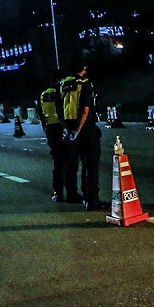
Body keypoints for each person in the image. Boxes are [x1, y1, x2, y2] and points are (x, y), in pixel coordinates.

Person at [60, 60, 105, 209]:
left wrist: (68, 129)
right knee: (91, 165)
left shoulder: (63, 85)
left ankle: (73, 194)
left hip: (69, 128)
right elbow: (85, 109)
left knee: (73, 163)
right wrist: (78, 130)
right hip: (85, 130)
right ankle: (91, 200)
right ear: (84, 68)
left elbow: (59, 109)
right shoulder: (85, 84)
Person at [37, 72, 80, 203]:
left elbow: (41, 115)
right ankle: (71, 194)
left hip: (51, 129)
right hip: (63, 127)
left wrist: (47, 131)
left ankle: (58, 193)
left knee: (58, 163)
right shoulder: (61, 92)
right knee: (70, 162)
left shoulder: (43, 95)